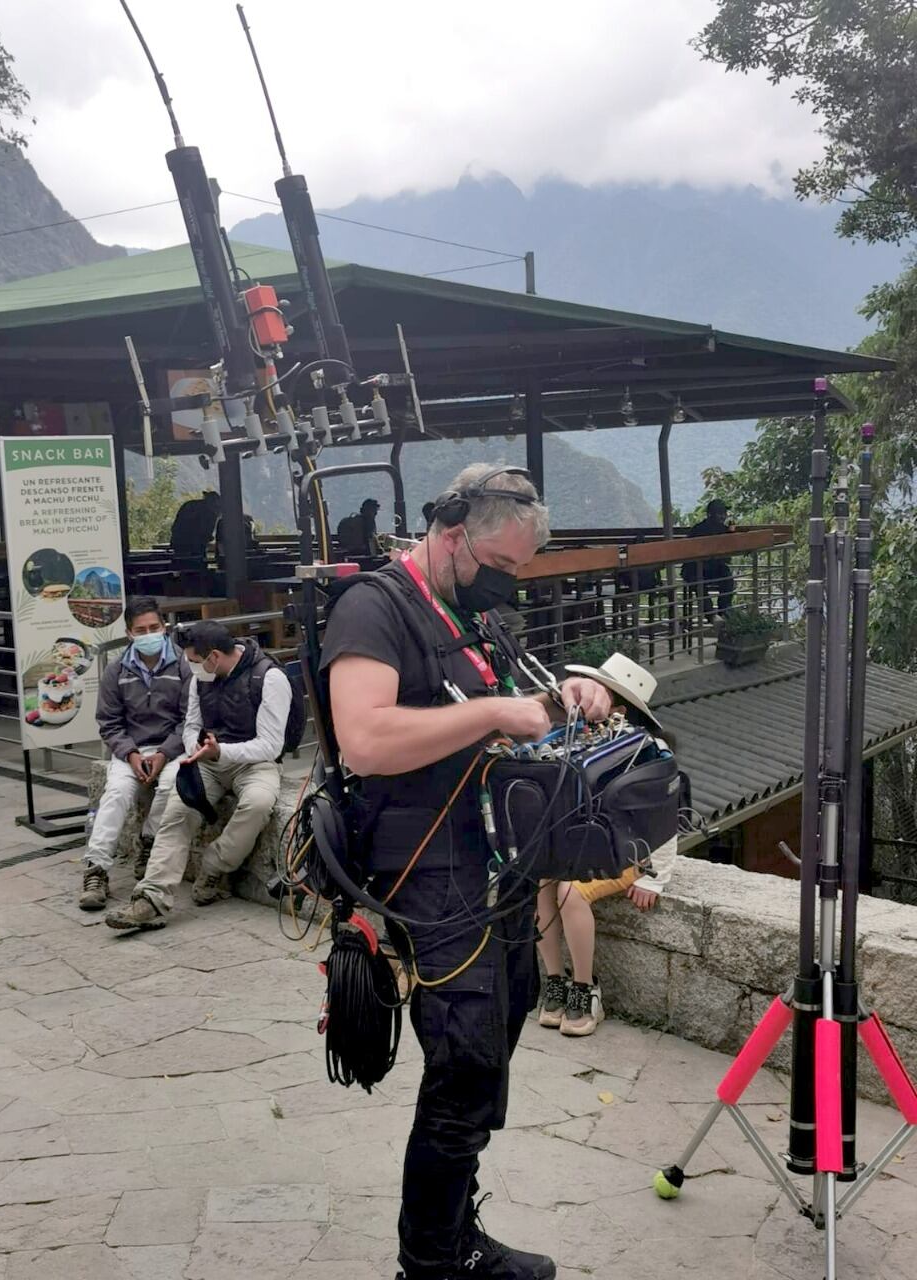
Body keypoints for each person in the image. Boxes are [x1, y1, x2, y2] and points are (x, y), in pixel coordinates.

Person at [321, 463, 613, 1280]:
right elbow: (364, 742)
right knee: (463, 1068)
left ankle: (455, 1236)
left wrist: (570, 693)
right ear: (453, 536)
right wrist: (493, 713)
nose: (507, 582)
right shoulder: (374, 608)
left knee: (493, 1048)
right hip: (427, 868)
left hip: (492, 863)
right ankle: (430, 1264)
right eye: (501, 565)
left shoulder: (472, 615)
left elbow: (518, 703)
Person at [104, 620, 290, 932]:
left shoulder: (269, 678)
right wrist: (195, 749)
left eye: (194, 660)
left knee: (258, 804)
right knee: (178, 810)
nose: (190, 667)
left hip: (255, 763)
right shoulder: (200, 680)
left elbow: (271, 745)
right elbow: (191, 724)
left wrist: (221, 752)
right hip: (208, 760)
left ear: (213, 656)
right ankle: (151, 898)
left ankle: (215, 865)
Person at [80, 597, 190, 911]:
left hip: (173, 748)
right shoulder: (116, 670)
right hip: (131, 750)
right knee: (116, 792)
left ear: (164, 627)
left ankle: (149, 843)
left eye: (154, 627)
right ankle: (96, 869)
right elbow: (109, 723)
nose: (149, 634)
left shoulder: (183, 665)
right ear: (129, 633)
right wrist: (130, 754)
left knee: (171, 786)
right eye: (141, 630)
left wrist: (165, 753)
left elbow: (189, 719)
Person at [681, 498, 735, 620]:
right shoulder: (699, 529)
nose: (723, 516)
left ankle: (724, 612)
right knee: (699, 584)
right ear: (710, 514)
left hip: (712, 569)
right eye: (720, 513)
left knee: (727, 578)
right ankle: (712, 616)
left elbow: (728, 557)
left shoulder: (723, 530)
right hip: (694, 570)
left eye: (724, 513)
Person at [169, 489, 221, 566]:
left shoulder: (190, 505)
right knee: (196, 567)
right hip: (194, 548)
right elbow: (205, 533)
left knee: (182, 567)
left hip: (178, 545)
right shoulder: (209, 512)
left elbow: (175, 528)